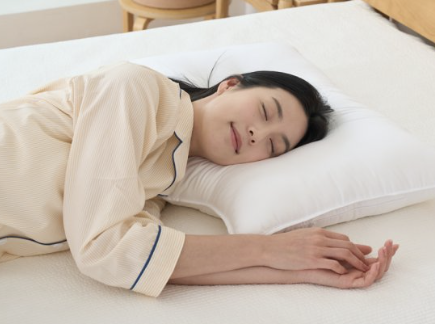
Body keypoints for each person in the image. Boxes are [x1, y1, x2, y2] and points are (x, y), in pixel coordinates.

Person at [0, 61, 398, 296]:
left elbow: (146, 260)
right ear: (230, 85)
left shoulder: (158, 186)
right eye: (264, 111)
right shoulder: (134, 87)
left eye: (273, 146)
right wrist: (271, 249)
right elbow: (103, 248)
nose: (258, 134)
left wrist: (304, 270)